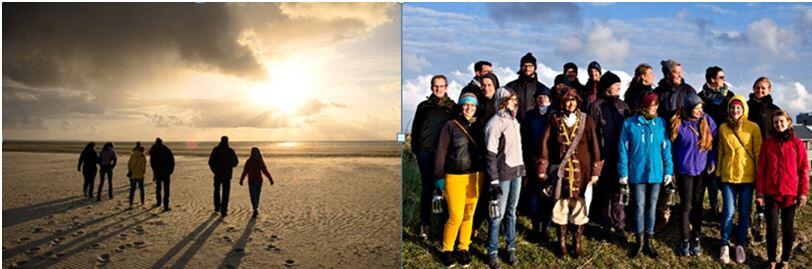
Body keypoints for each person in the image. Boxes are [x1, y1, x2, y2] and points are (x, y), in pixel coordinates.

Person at [538, 88, 603, 259]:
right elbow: (545, 143)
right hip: (561, 173)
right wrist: (543, 168)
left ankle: (577, 242)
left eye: (573, 100)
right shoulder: (554, 119)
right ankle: (561, 242)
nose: (571, 103)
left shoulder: (586, 120)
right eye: (567, 100)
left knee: (580, 207)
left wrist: (596, 171)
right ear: (562, 102)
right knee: (561, 207)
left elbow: (595, 145)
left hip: (582, 170)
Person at [433, 92, 485, 268]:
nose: (469, 108)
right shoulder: (451, 125)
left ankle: (463, 247)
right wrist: (439, 176)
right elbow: (441, 151)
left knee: (469, 214)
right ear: (461, 106)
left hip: (476, 175)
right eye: (465, 104)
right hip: (454, 175)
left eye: (472, 105)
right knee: (455, 214)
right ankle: (447, 249)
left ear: (476, 107)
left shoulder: (480, 125)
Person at [618, 92, 674, 259]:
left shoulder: (661, 123)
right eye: (651, 106)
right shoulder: (630, 124)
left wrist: (668, 170)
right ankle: (639, 241)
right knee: (639, 206)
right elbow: (623, 149)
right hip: (637, 172)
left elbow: (666, 148)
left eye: (656, 106)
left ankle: (649, 241)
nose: (654, 109)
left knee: (652, 206)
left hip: (656, 173)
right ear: (644, 106)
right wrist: (623, 172)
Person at [756, 110, 809, 269]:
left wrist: (803, 193)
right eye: (775, 122)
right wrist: (759, 192)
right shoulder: (767, 143)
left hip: (790, 193)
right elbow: (762, 169)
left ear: (788, 123)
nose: (778, 125)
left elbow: (803, 169)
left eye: (781, 122)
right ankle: (771, 259)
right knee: (771, 228)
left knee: (788, 228)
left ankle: (785, 260)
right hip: (771, 192)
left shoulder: (797, 143)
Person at [669, 93, 718, 256]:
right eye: (697, 108)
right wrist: (672, 169)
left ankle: (696, 237)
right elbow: (672, 149)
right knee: (686, 205)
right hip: (684, 170)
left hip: (702, 170)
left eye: (701, 107)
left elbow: (713, 143)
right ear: (689, 108)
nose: (700, 110)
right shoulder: (679, 124)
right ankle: (684, 240)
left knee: (697, 204)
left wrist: (712, 161)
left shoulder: (707, 121)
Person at [716, 95, 762, 264]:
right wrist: (718, 174)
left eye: (738, 108)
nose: (735, 111)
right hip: (728, 175)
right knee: (728, 212)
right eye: (732, 108)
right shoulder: (723, 127)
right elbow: (720, 151)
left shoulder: (753, 127)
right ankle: (725, 244)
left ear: (743, 110)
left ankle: (740, 244)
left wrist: (759, 176)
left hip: (747, 176)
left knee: (744, 212)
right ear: (729, 109)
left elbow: (758, 153)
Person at [587, 71, 631, 242]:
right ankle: (605, 224)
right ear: (607, 87)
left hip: (621, 155)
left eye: (620, 85)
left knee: (619, 190)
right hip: (603, 155)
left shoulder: (623, 106)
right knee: (605, 191)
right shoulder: (595, 106)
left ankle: (619, 225)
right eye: (616, 85)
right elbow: (591, 132)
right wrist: (596, 155)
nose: (619, 87)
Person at [411, 75, 456, 240]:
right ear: (431, 87)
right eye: (436, 86)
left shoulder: (453, 108)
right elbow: (415, 129)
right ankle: (424, 223)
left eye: (442, 86)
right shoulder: (423, 106)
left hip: (444, 155)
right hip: (425, 152)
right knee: (427, 188)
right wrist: (416, 149)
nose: (439, 89)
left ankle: (443, 225)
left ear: (446, 87)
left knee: (443, 190)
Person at [484, 90, 525, 268]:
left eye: (515, 100)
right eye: (510, 100)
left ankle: (510, 248)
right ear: (502, 101)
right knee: (497, 215)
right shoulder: (495, 123)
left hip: (517, 173)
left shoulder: (514, 121)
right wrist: (494, 180)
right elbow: (490, 154)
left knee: (512, 213)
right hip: (502, 175)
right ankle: (492, 251)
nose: (514, 103)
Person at [653, 59, 696, 230]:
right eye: (675, 72)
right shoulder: (658, 92)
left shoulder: (688, 91)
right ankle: (663, 212)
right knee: (665, 175)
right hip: (663, 138)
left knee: (684, 177)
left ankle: (687, 216)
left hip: (684, 139)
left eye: (680, 72)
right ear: (667, 74)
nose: (679, 75)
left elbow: (696, 112)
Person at [698, 66, 735, 221]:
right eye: (721, 77)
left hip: (726, 140)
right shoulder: (701, 97)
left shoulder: (729, 96)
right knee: (710, 175)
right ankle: (713, 206)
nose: (723, 80)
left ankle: (729, 208)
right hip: (707, 141)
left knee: (724, 175)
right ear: (712, 79)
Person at [521, 87, 553, 243]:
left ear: (550, 100)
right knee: (533, 198)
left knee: (548, 197)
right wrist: (527, 161)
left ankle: (545, 229)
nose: (542, 101)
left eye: (545, 98)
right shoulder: (529, 116)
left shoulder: (554, 116)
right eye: (539, 98)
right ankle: (535, 228)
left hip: (550, 162)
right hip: (533, 161)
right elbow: (525, 140)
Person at [505, 53, 551, 121]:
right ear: (520, 67)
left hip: (534, 123)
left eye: (530, 65)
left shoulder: (541, 88)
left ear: (535, 67)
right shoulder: (511, 86)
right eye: (524, 65)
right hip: (514, 122)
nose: (527, 68)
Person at [239, 147, 275, 218]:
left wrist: (270, 179)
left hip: (256, 181)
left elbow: (264, 171)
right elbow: (245, 171)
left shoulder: (257, 161)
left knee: (255, 196)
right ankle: (255, 208)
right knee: (255, 195)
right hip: (255, 180)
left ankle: (255, 208)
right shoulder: (252, 161)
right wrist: (241, 179)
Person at [208, 136, 239, 217]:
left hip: (218, 174)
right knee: (225, 192)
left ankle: (217, 207)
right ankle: (224, 210)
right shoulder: (230, 151)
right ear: (227, 141)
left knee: (216, 190)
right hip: (227, 174)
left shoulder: (216, 150)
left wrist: (214, 170)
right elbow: (236, 163)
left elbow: (210, 162)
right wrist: (229, 165)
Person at [149, 137, 175, 211]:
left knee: (158, 188)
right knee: (166, 189)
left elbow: (152, 162)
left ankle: (158, 202)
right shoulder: (166, 149)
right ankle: (165, 205)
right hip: (166, 172)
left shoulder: (154, 149)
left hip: (158, 172)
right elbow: (172, 160)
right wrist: (171, 170)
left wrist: (154, 170)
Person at [127, 144, 147, 208]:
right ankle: (142, 202)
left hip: (133, 175)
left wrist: (130, 171)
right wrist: (143, 172)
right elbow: (143, 166)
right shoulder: (143, 157)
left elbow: (129, 164)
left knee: (132, 190)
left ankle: (130, 204)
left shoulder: (132, 155)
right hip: (140, 175)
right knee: (141, 189)